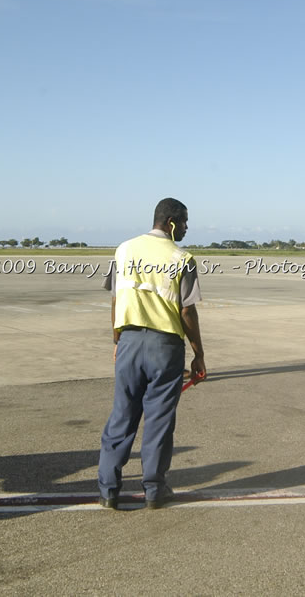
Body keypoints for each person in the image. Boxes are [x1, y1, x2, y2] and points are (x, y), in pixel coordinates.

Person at [97, 198, 206, 510]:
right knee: (158, 420)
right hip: (165, 346)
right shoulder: (182, 257)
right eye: (184, 222)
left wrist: (118, 341)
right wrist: (198, 353)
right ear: (170, 222)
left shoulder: (124, 250)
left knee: (122, 415)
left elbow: (117, 300)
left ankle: (108, 490)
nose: (186, 228)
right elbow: (187, 311)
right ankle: (154, 491)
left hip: (129, 341)